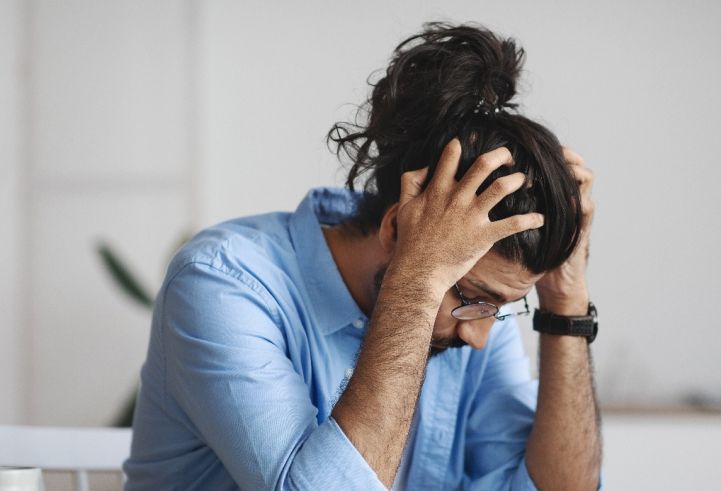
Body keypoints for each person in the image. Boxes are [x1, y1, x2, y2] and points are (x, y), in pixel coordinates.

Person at [124, 22, 602, 490]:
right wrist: (416, 282)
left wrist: (566, 303)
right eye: (474, 298)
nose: (480, 337)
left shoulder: (473, 307)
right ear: (396, 229)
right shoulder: (222, 283)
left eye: (498, 308)